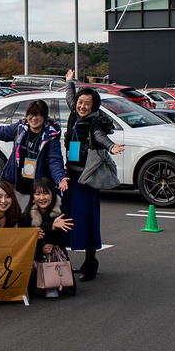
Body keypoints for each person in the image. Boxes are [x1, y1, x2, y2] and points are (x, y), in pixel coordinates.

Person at [63, 69, 123, 281]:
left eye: (87, 103)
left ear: (94, 106)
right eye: (81, 103)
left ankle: (91, 262)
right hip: (71, 176)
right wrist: (70, 82)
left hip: (86, 179)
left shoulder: (94, 122)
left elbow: (100, 136)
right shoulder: (74, 113)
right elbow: (70, 97)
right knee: (70, 218)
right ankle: (83, 261)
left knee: (87, 220)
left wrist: (112, 146)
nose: (82, 106)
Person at [0, 98, 68, 206]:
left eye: (38, 115)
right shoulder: (20, 129)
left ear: (44, 117)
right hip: (17, 186)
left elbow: (54, 160)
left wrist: (60, 178)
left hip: (37, 190)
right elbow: (1, 132)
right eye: (31, 114)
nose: (34, 118)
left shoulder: (50, 137)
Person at [21, 180, 75, 297]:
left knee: (53, 251)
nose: (42, 198)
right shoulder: (26, 214)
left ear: (53, 194)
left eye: (46, 193)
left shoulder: (61, 212)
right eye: (37, 194)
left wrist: (53, 228)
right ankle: (35, 285)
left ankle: (53, 283)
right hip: (35, 252)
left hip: (52, 253)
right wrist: (39, 245)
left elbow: (61, 239)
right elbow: (22, 240)